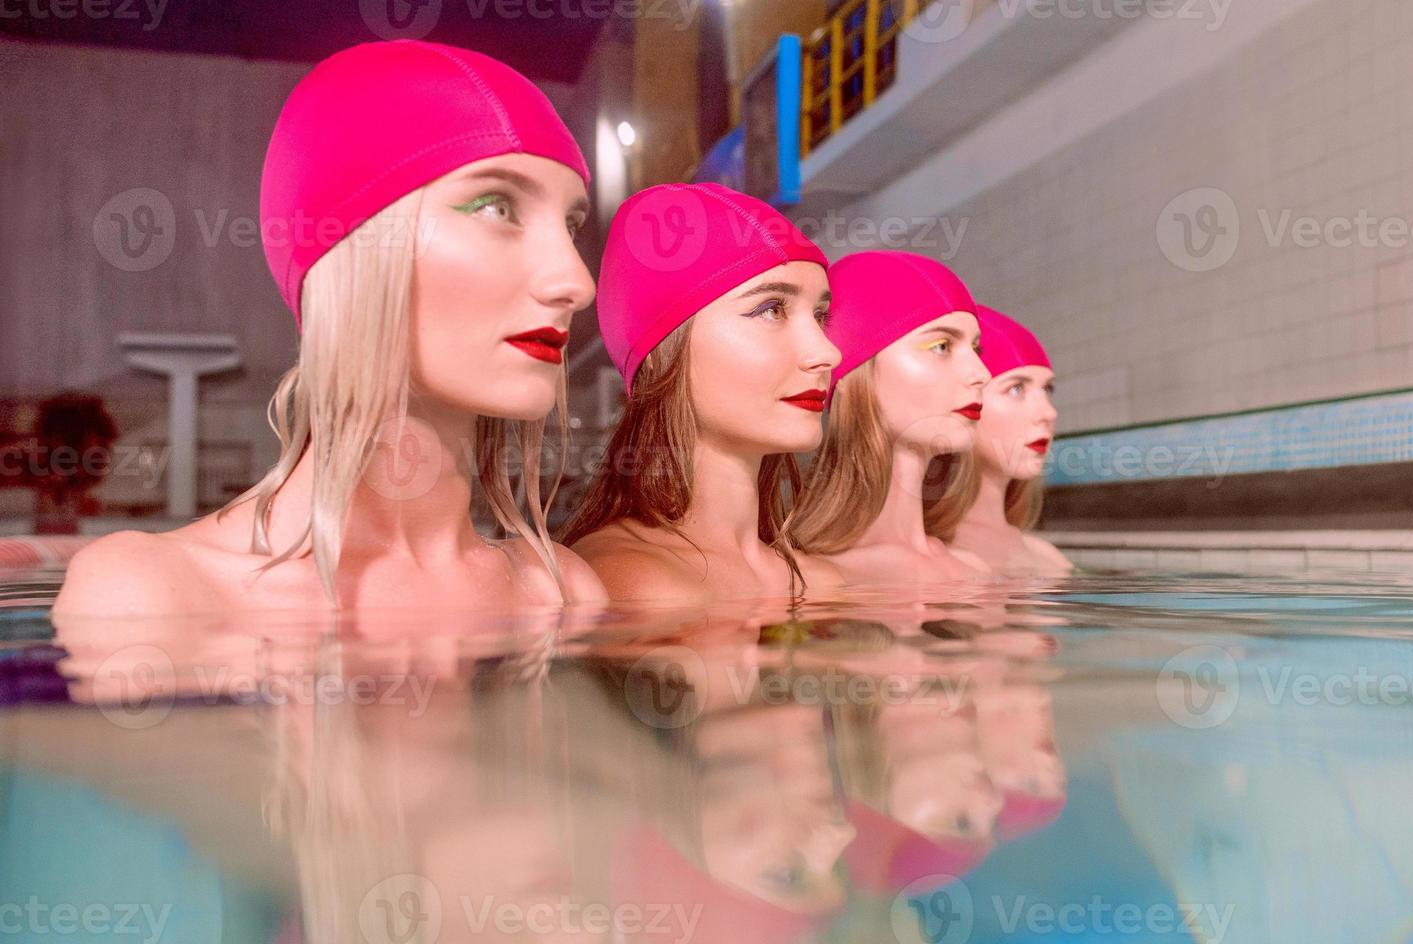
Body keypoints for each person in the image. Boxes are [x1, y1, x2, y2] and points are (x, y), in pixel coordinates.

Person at [54, 40, 607, 623]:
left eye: (571, 225)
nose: (576, 282)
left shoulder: (561, 593)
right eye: (497, 207)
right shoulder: (152, 597)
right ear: (346, 251)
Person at [560, 183, 844, 602]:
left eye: (820, 316)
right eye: (771, 310)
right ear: (663, 351)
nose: (828, 353)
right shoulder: (635, 583)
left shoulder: (819, 581)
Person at [790, 251, 992, 585]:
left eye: (976, 349)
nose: (981, 373)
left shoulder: (975, 569)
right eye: (941, 346)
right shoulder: (808, 581)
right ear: (856, 372)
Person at [926, 306, 1072, 574]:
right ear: (968, 402)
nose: (1049, 413)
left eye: (1047, 389)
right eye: (1016, 388)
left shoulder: (1050, 558)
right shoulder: (934, 561)